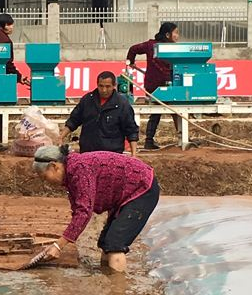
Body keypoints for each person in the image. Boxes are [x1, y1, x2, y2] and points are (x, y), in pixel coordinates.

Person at [32, 145, 159, 273]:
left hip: (142, 189)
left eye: (44, 177)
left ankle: (118, 288)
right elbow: (78, 210)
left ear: (54, 166)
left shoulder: (79, 169)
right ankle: (106, 279)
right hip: (125, 193)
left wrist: (58, 245)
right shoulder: (71, 171)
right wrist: (65, 238)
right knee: (105, 243)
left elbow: (84, 212)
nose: (46, 182)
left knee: (115, 244)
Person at [59, 71, 139, 156]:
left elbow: (131, 130)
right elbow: (73, 120)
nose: (104, 90)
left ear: (114, 86)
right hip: (88, 153)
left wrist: (133, 155)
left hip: (112, 155)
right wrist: (61, 137)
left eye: (108, 87)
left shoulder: (122, 104)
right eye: (101, 86)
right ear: (97, 85)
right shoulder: (87, 100)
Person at [127, 22, 179, 150]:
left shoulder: (152, 45)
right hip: (158, 86)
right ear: (167, 35)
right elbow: (133, 49)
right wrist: (131, 62)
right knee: (174, 110)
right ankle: (182, 137)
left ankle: (149, 140)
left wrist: (131, 61)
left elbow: (133, 49)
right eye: (176, 32)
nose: (178, 36)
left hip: (157, 85)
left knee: (164, 112)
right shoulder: (153, 45)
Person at [0, 13, 31, 149]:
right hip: (2, 80)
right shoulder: (6, 41)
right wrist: (19, 77)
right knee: (1, 110)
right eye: (9, 24)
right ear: (3, 25)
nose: (12, 27)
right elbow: (8, 65)